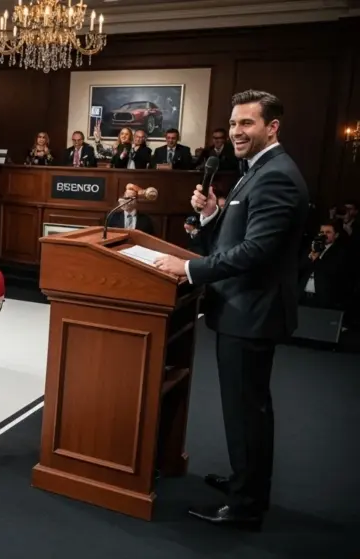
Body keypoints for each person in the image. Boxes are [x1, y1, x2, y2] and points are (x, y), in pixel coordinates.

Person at [153, 90, 309, 530]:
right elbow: (235, 236)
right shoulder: (255, 170)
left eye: (247, 123)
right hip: (244, 309)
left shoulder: (276, 175)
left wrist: (189, 268)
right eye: (234, 123)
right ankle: (247, 483)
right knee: (246, 410)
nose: (237, 132)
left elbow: (257, 250)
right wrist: (211, 214)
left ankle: (246, 506)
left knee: (246, 413)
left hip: (252, 313)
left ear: (272, 127)